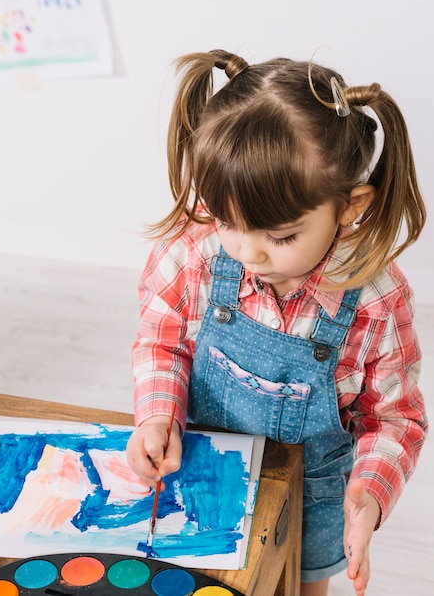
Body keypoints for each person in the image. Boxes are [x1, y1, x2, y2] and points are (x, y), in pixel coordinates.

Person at [126, 49, 428, 596]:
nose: (249, 252)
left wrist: (367, 498)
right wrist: (157, 417)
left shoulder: (375, 299)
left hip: (312, 503)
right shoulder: (194, 251)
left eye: (281, 236)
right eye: (228, 222)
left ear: (350, 205)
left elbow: (395, 419)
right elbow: (161, 343)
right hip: (202, 473)